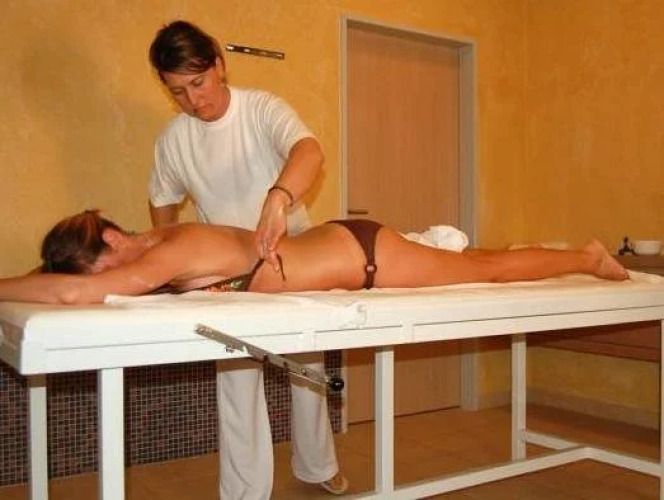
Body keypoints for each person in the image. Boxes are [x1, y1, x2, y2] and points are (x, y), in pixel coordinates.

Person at [146, 20, 346, 498]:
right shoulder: (174, 140)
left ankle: (317, 465)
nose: (194, 100)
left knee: (307, 365)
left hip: (290, 255)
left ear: (219, 66)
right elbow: (162, 203)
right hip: (227, 271)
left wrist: (278, 197)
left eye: (199, 82)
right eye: (178, 92)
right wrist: (164, 258)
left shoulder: (261, 109)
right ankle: (245, 492)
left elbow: (309, 152)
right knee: (235, 375)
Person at [3, 210, 628, 304]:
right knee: (484, 259)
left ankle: (586, 259)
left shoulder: (172, 249)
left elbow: (75, 292)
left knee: (486, 272)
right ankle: (568, 253)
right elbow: (67, 283)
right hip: (345, 244)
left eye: (100, 266)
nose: (111, 281)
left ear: (111, 241)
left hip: (364, 256)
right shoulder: (166, 239)